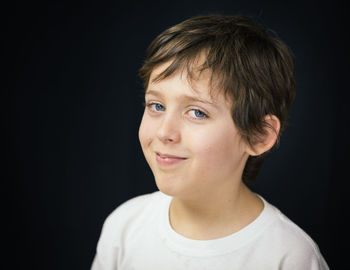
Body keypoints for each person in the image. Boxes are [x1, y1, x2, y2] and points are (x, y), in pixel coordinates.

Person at [91, 14, 329, 269]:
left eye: (197, 112)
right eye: (157, 105)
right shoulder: (124, 227)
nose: (164, 132)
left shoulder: (289, 257)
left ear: (259, 135)